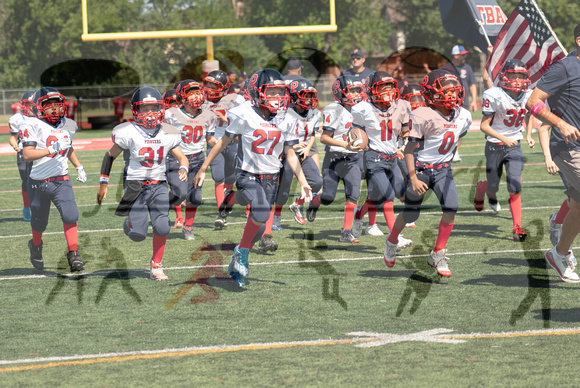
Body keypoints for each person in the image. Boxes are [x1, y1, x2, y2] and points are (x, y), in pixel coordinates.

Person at [193, 68, 312, 287]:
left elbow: (290, 153)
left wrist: (303, 182)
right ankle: (243, 252)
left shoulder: (287, 117)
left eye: (280, 92)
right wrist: (203, 167)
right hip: (248, 174)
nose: (277, 97)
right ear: (258, 92)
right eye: (272, 91)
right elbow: (223, 142)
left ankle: (238, 240)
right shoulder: (244, 112)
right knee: (260, 211)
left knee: (258, 228)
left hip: (270, 177)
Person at [384, 69, 471, 277]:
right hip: (421, 169)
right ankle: (392, 240)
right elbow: (409, 150)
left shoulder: (464, 115)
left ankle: (438, 252)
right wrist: (413, 177)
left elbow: (457, 136)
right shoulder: (422, 115)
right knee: (412, 212)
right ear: (431, 94)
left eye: (454, 90)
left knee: (451, 208)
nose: (452, 94)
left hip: (443, 170)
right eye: (446, 90)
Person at [97, 87, 189, 280]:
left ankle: (156, 265)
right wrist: (103, 182)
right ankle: (129, 222)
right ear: (135, 110)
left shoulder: (168, 132)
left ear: (161, 108)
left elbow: (182, 157)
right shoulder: (127, 131)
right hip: (134, 185)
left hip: (158, 184)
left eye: (153, 108)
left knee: (163, 226)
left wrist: (183, 168)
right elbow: (110, 155)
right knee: (137, 234)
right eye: (144, 108)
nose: (149, 113)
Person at [525, 22, 580, 283]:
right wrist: (560, 123)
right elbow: (532, 102)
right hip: (569, 147)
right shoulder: (564, 67)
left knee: (578, 207)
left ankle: (559, 253)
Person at [21, 87, 88, 272]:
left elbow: (67, 147)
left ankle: (74, 254)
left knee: (70, 214)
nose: (53, 107)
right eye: (47, 104)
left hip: (61, 180)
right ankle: (35, 246)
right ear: (38, 106)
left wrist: (78, 166)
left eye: (56, 103)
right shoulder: (30, 124)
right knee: (39, 222)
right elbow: (27, 155)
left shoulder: (68, 124)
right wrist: (50, 150)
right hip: (38, 181)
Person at [474, 59, 535, 242]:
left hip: (514, 145)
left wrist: (529, 134)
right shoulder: (494, 94)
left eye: (521, 76)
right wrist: (503, 138)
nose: (517, 80)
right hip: (494, 145)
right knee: (493, 184)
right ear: (504, 76)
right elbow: (484, 126)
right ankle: (483, 188)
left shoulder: (528, 95)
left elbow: (531, 113)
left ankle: (517, 227)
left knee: (514, 184)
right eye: (513, 75)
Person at [349, 71, 412, 249]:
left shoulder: (400, 106)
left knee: (377, 198)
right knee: (387, 196)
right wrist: (354, 140)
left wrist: (406, 141)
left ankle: (359, 215)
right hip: (374, 157)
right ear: (371, 90)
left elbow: (404, 130)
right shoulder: (364, 109)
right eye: (382, 88)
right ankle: (394, 238)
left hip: (392, 158)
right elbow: (354, 131)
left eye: (390, 87)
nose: (387, 92)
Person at [305, 75, 366, 243]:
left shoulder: (363, 108)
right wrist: (344, 145)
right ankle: (314, 203)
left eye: (356, 90)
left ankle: (346, 231)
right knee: (328, 197)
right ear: (340, 92)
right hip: (334, 158)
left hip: (353, 159)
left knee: (353, 195)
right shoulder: (334, 109)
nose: (355, 94)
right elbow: (324, 138)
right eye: (351, 90)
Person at [165, 80, 216, 240]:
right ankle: (157, 203)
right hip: (177, 159)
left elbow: (210, 139)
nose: (196, 95)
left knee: (195, 197)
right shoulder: (171, 114)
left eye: (198, 91)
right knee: (180, 194)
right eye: (191, 92)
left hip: (198, 159)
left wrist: (226, 143)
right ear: (182, 95)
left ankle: (188, 227)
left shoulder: (209, 115)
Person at [272, 77, 323, 234]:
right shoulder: (284, 114)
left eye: (310, 95)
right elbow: (278, 137)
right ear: (293, 96)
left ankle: (297, 204)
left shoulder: (314, 113)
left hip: (302, 152)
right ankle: (277, 216)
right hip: (286, 153)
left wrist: (308, 147)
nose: (308, 99)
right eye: (304, 95)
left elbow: (313, 132)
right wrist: (288, 148)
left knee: (316, 182)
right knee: (283, 189)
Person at [201, 70, 245, 228]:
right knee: (218, 176)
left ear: (224, 87)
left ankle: (230, 200)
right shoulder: (203, 102)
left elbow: (245, 119)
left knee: (232, 178)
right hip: (215, 142)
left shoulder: (236, 100)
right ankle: (222, 214)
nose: (210, 89)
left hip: (232, 142)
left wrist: (226, 119)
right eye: (208, 85)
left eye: (214, 86)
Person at [9, 90, 35, 221]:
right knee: (26, 180)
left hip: (39, 151)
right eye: (29, 104)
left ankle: (39, 207)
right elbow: (13, 138)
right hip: (24, 151)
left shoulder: (41, 116)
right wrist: (15, 146)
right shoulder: (17, 119)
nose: (31, 107)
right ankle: (27, 207)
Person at [451, 45, 477, 162]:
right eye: (463, 55)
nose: (465, 57)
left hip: (464, 102)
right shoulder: (447, 68)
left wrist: (474, 100)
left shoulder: (467, 68)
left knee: (461, 129)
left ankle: (456, 151)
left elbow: (472, 84)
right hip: (449, 103)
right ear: (455, 56)